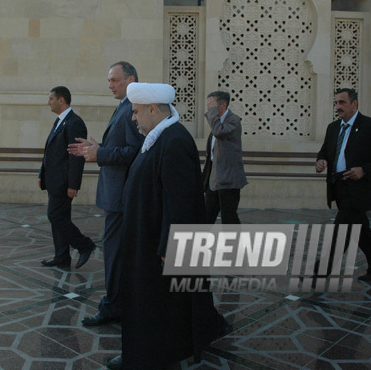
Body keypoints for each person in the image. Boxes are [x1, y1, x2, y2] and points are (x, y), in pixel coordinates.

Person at [105, 82, 229, 370]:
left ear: (152, 109)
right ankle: (146, 352)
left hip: (157, 247)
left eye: (136, 112)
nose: (133, 118)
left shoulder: (174, 141)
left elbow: (181, 201)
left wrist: (169, 246)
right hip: (145, 241)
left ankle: (148, 355)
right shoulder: (159, 137)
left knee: (157, 306)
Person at [68, 62, 143, 327]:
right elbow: (121, 147)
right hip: (115, 195)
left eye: (114, 80)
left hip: (121, 198)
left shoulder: (133, 109)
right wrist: (97, 147)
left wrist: (99, 154)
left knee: (114, 255)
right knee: (115, 254)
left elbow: (134, 152)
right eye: (109, 80)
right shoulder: (124, 106)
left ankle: (113, 308)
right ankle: (118, 304)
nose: (110, 85)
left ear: (130, 79)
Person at [316, 88, 371, 281]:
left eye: (342, 102)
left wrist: (364, 170)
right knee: (360, 229)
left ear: (355, 104)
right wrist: (321, 161)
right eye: (336, 103)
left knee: (341, 229)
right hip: (338, 187)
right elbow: (325, 152)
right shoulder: (333, 128)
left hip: (360, 188)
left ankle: (319, 271)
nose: (338, 107)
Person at [38, 86, 95, 269]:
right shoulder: (59, 121)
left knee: (55, 216)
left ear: (61, 100)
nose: (49, 102)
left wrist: (73, 184)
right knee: (59, 218)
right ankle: (61, 256)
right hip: (53, 181)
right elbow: (49, 151)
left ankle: (84, 245)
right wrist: (42, 174)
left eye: (51, 98)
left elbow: (76, 157)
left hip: (64, 183)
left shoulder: (74, 123)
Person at [202, 90, 248, 225]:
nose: (209, 108)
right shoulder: (216, 122)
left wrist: (212, 113)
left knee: (229, 217)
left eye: (212, 104)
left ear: (223, 105)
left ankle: (234, 244)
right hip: (215, 178)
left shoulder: (233, 120)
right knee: (206, 215)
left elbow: (219, 132)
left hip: (229, 179)